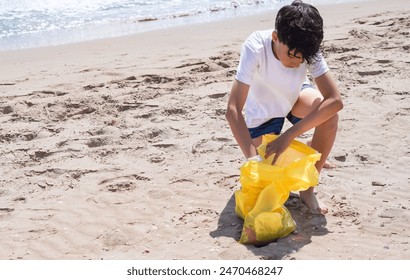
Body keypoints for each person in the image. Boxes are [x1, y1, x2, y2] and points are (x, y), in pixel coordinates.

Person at [225, 0, 343, 214]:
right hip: (264, 111)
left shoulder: (306, 46)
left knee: (329, 116)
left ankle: (308, 189)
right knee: (271, 175)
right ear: (275, 38)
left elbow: (335, 100)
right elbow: (233, 109)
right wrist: (252, 159)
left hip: (295, 97)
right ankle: (306, 147)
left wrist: (288, 136)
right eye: (292, 55)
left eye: (303, 58)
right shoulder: (255, 46)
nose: (298, 62)